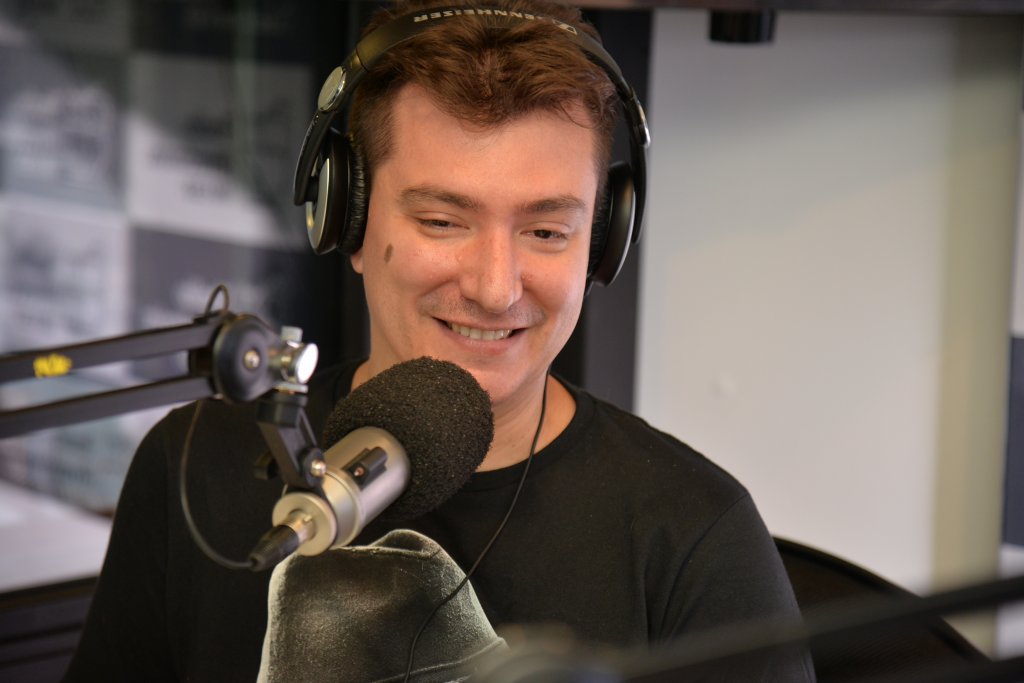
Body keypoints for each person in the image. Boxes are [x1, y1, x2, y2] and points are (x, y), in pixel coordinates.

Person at [66, 1, 816, 680]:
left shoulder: (696, 538)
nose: (495, 287)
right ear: (347, 220)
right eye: (442, 221)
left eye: (546, 231)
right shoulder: (196, 465)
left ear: (602, 243)